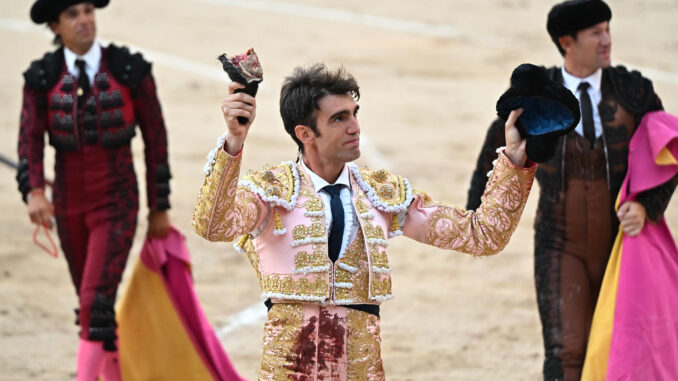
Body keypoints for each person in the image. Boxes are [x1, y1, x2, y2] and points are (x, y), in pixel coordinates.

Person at [193, 63, 536, 379]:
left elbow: (481, 236)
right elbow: (213, 226)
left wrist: (515, 162)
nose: (355, 127)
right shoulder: (270, 193)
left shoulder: (381, 195)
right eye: (339, 118)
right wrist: (234, 142)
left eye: (354, 114)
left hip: (361, 369)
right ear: (305, 133)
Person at [465, 1, 677, 379]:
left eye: (608, 29)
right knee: (566, 352)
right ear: (567, 41)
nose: (607, 40)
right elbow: (493, 155)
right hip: (559, 244)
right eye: (596, 32)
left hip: (620, 244)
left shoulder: (633, 90)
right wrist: (474, 221)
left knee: (621, 347)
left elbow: (665, 149)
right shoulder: (534, 97)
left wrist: (646, 204)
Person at [16, 0, 172, 379]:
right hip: (68, 205)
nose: (84, 20)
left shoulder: (129, 69)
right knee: (94, 311)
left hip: (117, 201)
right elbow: (30, 139)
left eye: (88, 11)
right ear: (55, 26)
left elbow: (156, 138)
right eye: (73, 15)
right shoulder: (42, 77)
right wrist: (34, 191)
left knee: (94, 304)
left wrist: (159, 206)